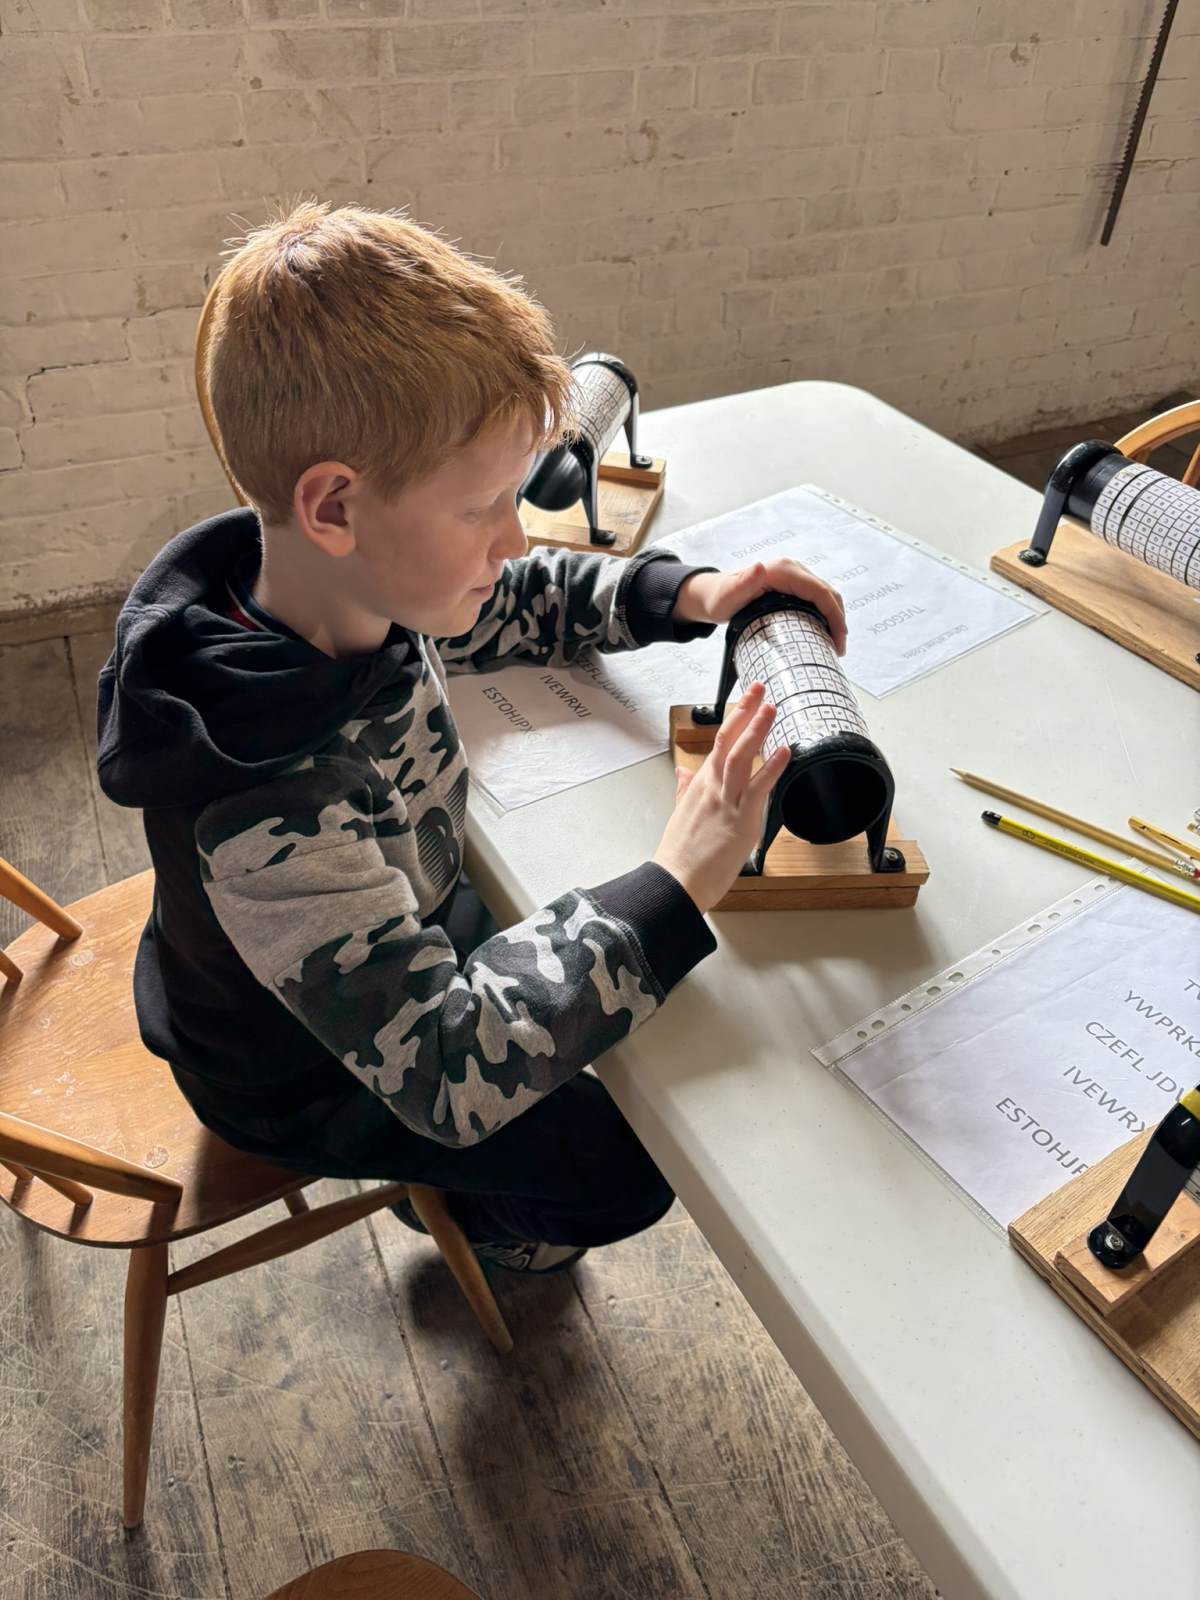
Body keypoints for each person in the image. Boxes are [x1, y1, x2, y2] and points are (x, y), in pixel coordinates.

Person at [97, 199, 846, 1273]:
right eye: (483, 505)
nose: (513, 536)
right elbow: (446, 1071)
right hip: (299, 1075)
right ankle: (463, 1220)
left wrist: (686, 594)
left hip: (406, 922)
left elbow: (498, 602)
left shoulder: (341, 583)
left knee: (622, 1019)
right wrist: (679, 879)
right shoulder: (269, 805)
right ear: (334, 507)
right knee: (637, 1165)